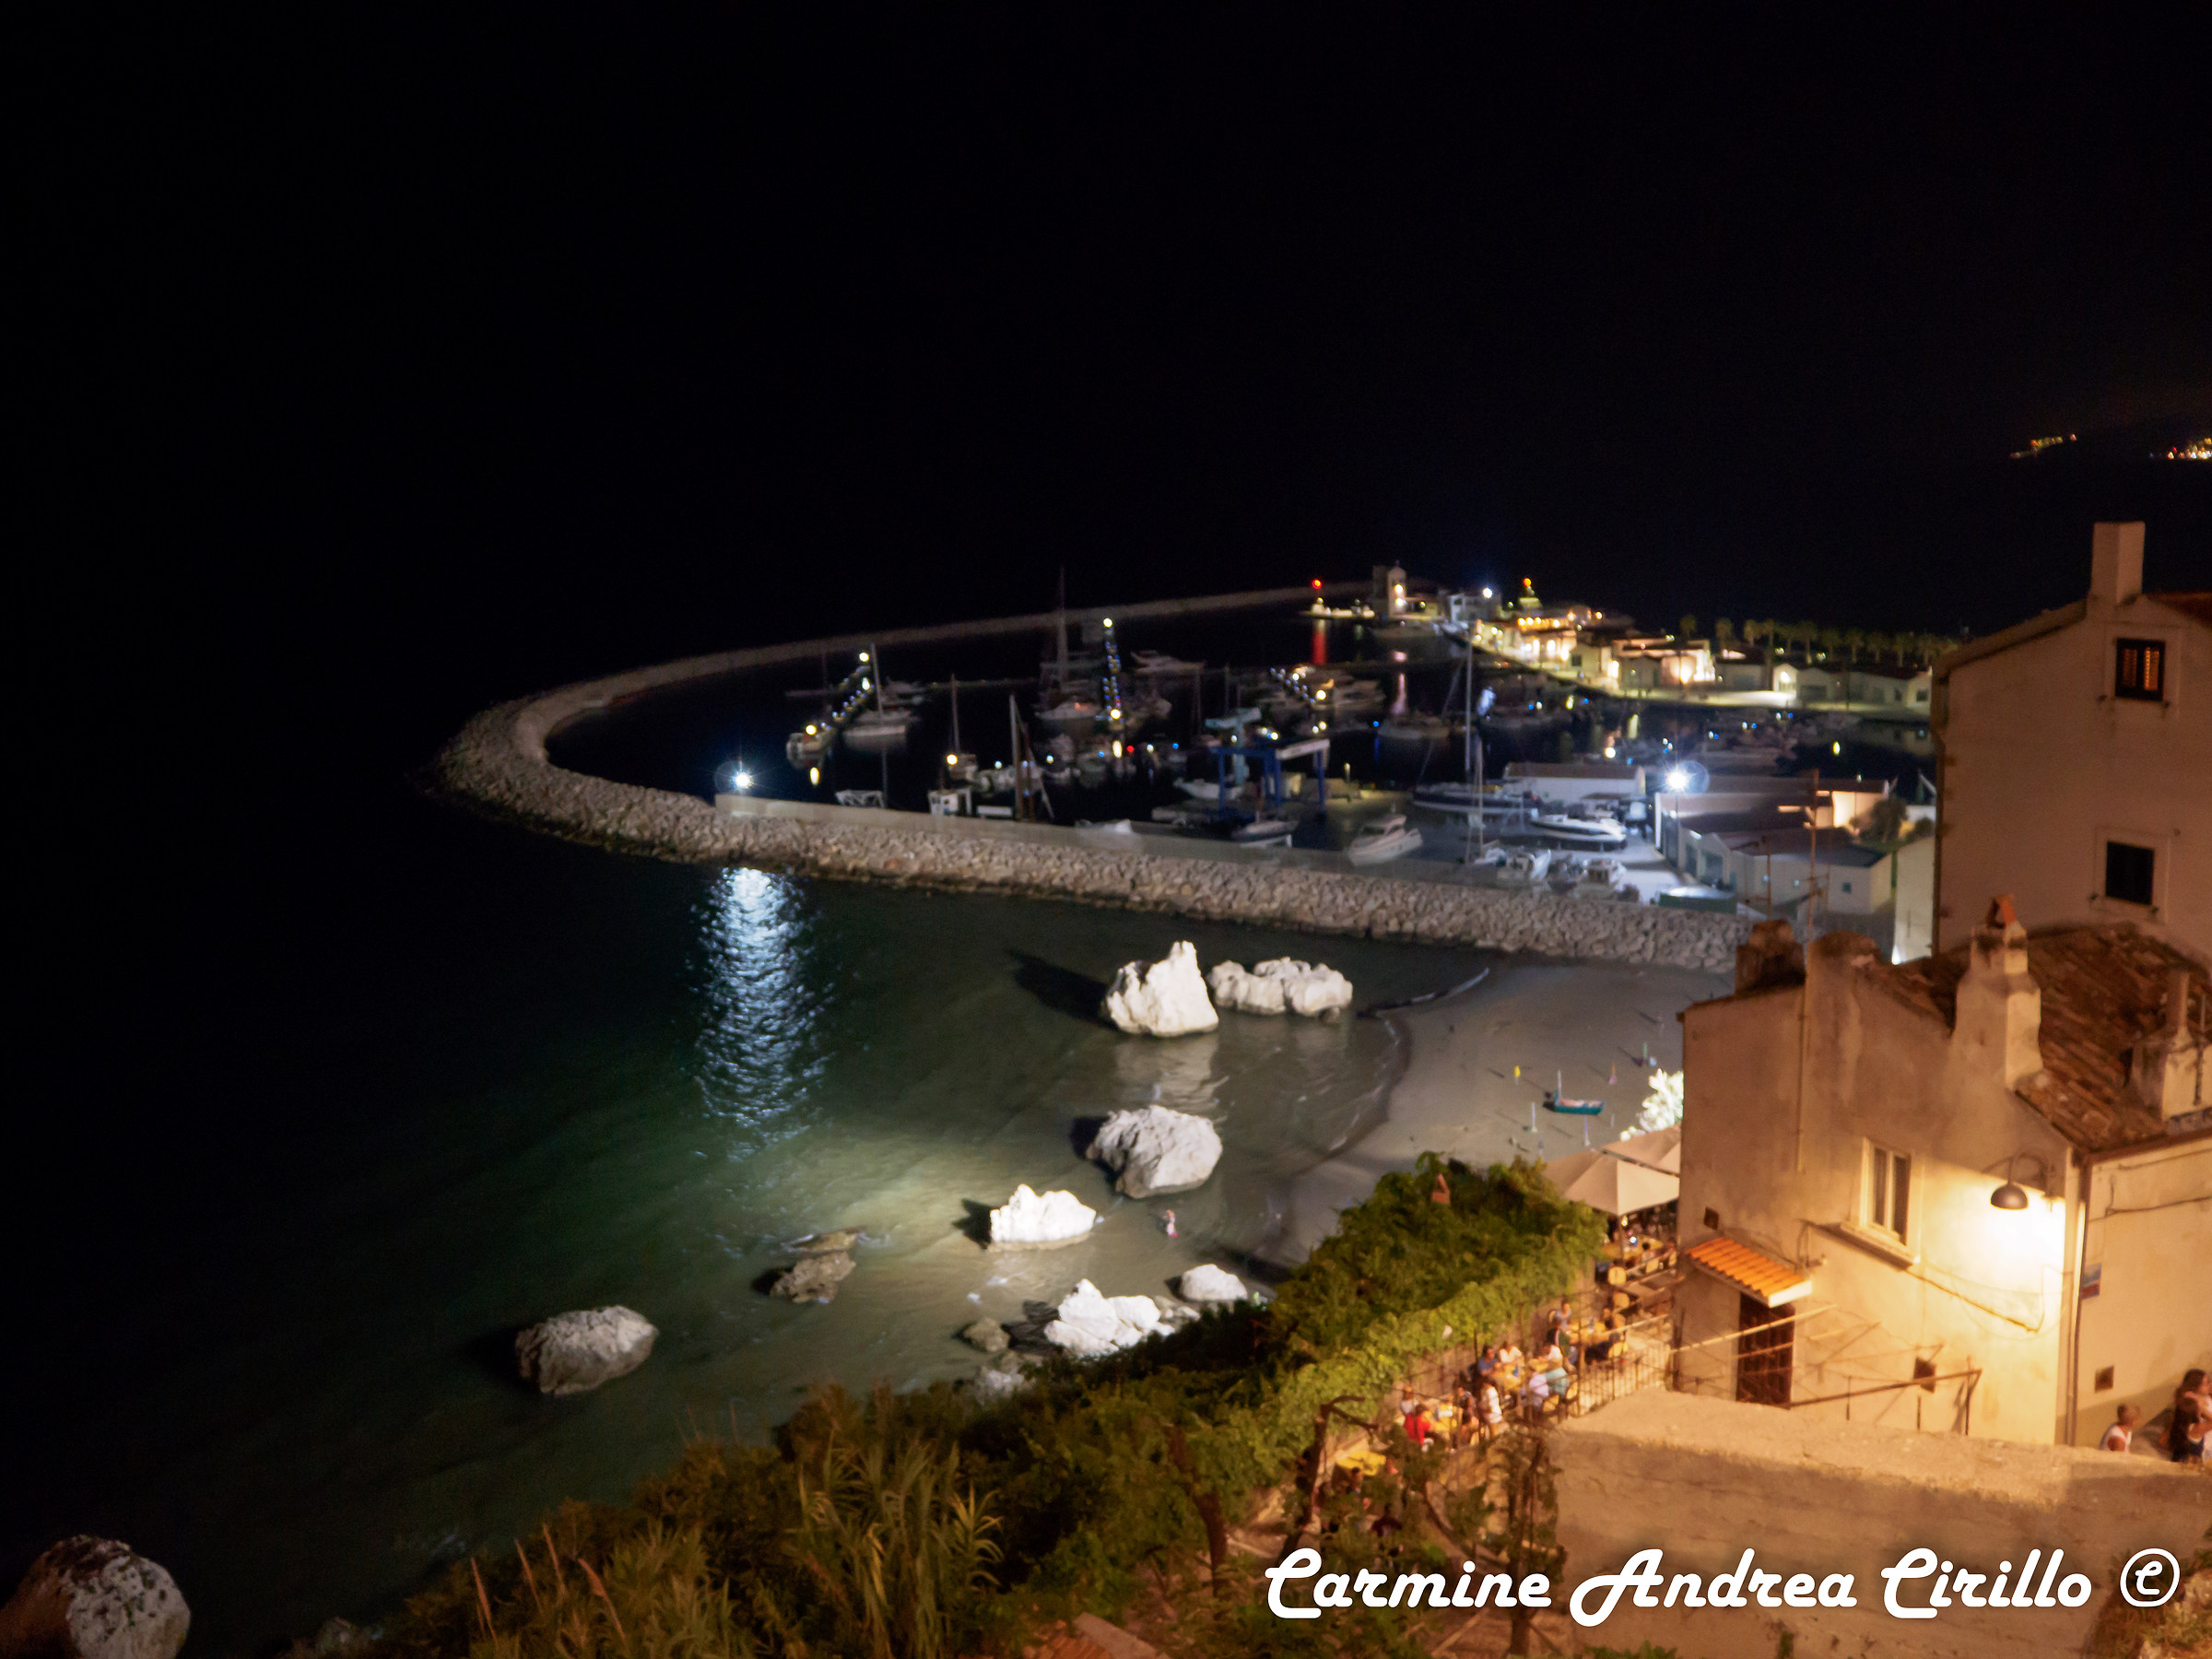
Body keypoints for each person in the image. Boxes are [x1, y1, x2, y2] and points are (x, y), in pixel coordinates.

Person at [2171, 1371, 2208, 1465]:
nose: (2209, 1385)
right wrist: (2200, 1407)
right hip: (2190, 1467)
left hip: (2179, 1460)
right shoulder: (2196, 1429)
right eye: (2206, 1383)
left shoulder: (2180, 1422)